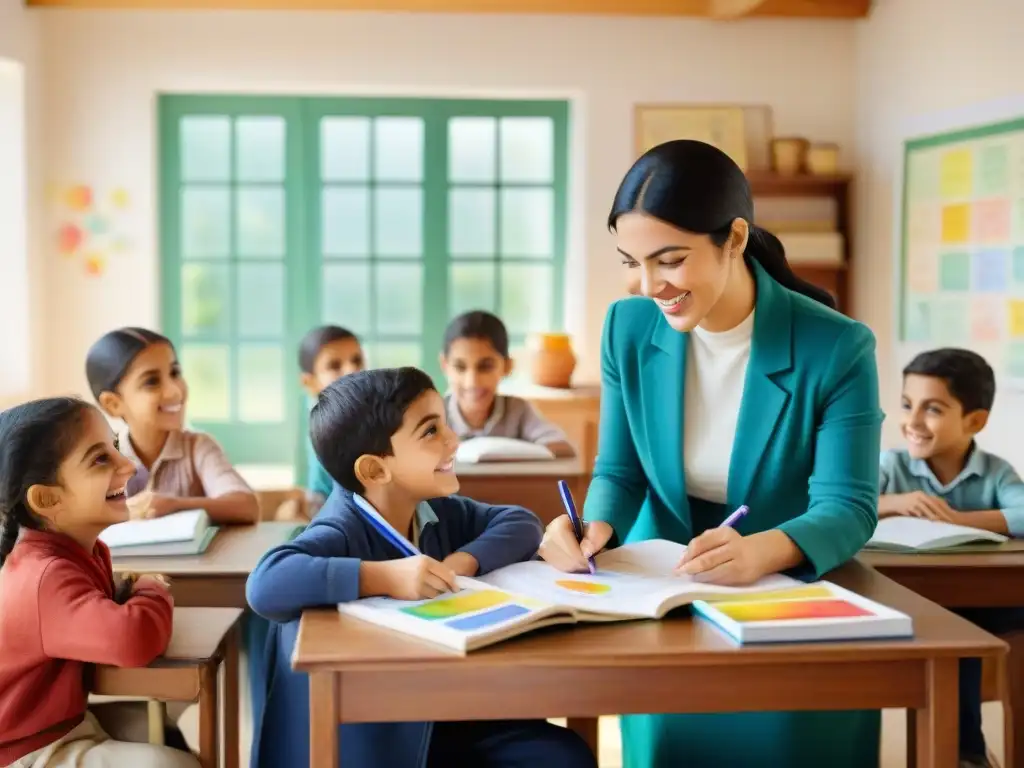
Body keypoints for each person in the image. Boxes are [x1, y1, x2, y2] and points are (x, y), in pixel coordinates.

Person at [538, 140, 884, 768]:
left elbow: (849, 507)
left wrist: (760, 551)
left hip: (785, 584)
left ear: (735, 238)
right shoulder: (627, 327)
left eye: (670, 260)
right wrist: (594, 529)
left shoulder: (837, 347)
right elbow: (620, 469)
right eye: (632, 262)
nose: (651, 286)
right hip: (662, 590)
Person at [245, 367, 596, 768]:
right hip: (382, 735)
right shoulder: (341, 527)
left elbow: (520, 522)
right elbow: (265, 583)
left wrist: (461, 562)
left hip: (450, 708)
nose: (454, 439)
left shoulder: (434, 509)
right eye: (431, 432)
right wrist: (385, 577)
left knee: (565, 755)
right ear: (375, 470)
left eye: (446, 425)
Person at [0, 397, 198, 768]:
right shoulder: (45, 577)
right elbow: (133, 639)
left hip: (61, 725)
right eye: (100, 458)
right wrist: (150, 586)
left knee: (184, 728)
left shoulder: (84, 553)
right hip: (27, 750)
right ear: (46, 499)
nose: (129, 465)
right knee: (174, 765)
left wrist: (129, 588)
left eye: (116, 447)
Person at [879, 348, 1024, 768]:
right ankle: (965, 752)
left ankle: (973, 752)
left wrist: (961, 520)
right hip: (909, 603)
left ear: (974, 421)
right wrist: (896, 502)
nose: (913, 422)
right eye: (908, 405)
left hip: (982, 603)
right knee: (951, 635)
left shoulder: (995, 472)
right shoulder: (892, 466)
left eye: (933, 409)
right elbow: (849, 503)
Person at [85, 327, 258, 525]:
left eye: (174, 373)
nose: (175, 391)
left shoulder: (198, 447)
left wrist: (175, 505)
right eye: (151, 381)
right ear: (113, 404)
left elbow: (247, 506)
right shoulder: (104, 458)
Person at [440, 310, 575, 457]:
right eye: (460, 367)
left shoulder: (518, 411)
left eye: (485, 367)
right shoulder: (434, 415)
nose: (472, 382)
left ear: (507, 366)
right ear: (445, 365)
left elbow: (563, 448)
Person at [298, 325, 366, 513]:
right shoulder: (327, 419)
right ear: (309, 382)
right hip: (329, 511)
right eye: (334, 366)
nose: (352, 370)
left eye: (357, 360)